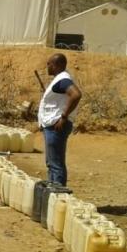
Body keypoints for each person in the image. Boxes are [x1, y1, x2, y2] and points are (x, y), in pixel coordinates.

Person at [37, 53, 82, 186]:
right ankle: (52, 191)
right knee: (52, 162)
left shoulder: (63, 79)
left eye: (50, 64)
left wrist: (63, 116)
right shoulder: (59, 80)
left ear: (58, 65)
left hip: (56, 126)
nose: (47, 67)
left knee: (55, 163)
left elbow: (76, 95)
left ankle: (58, 194)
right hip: (52, 125)